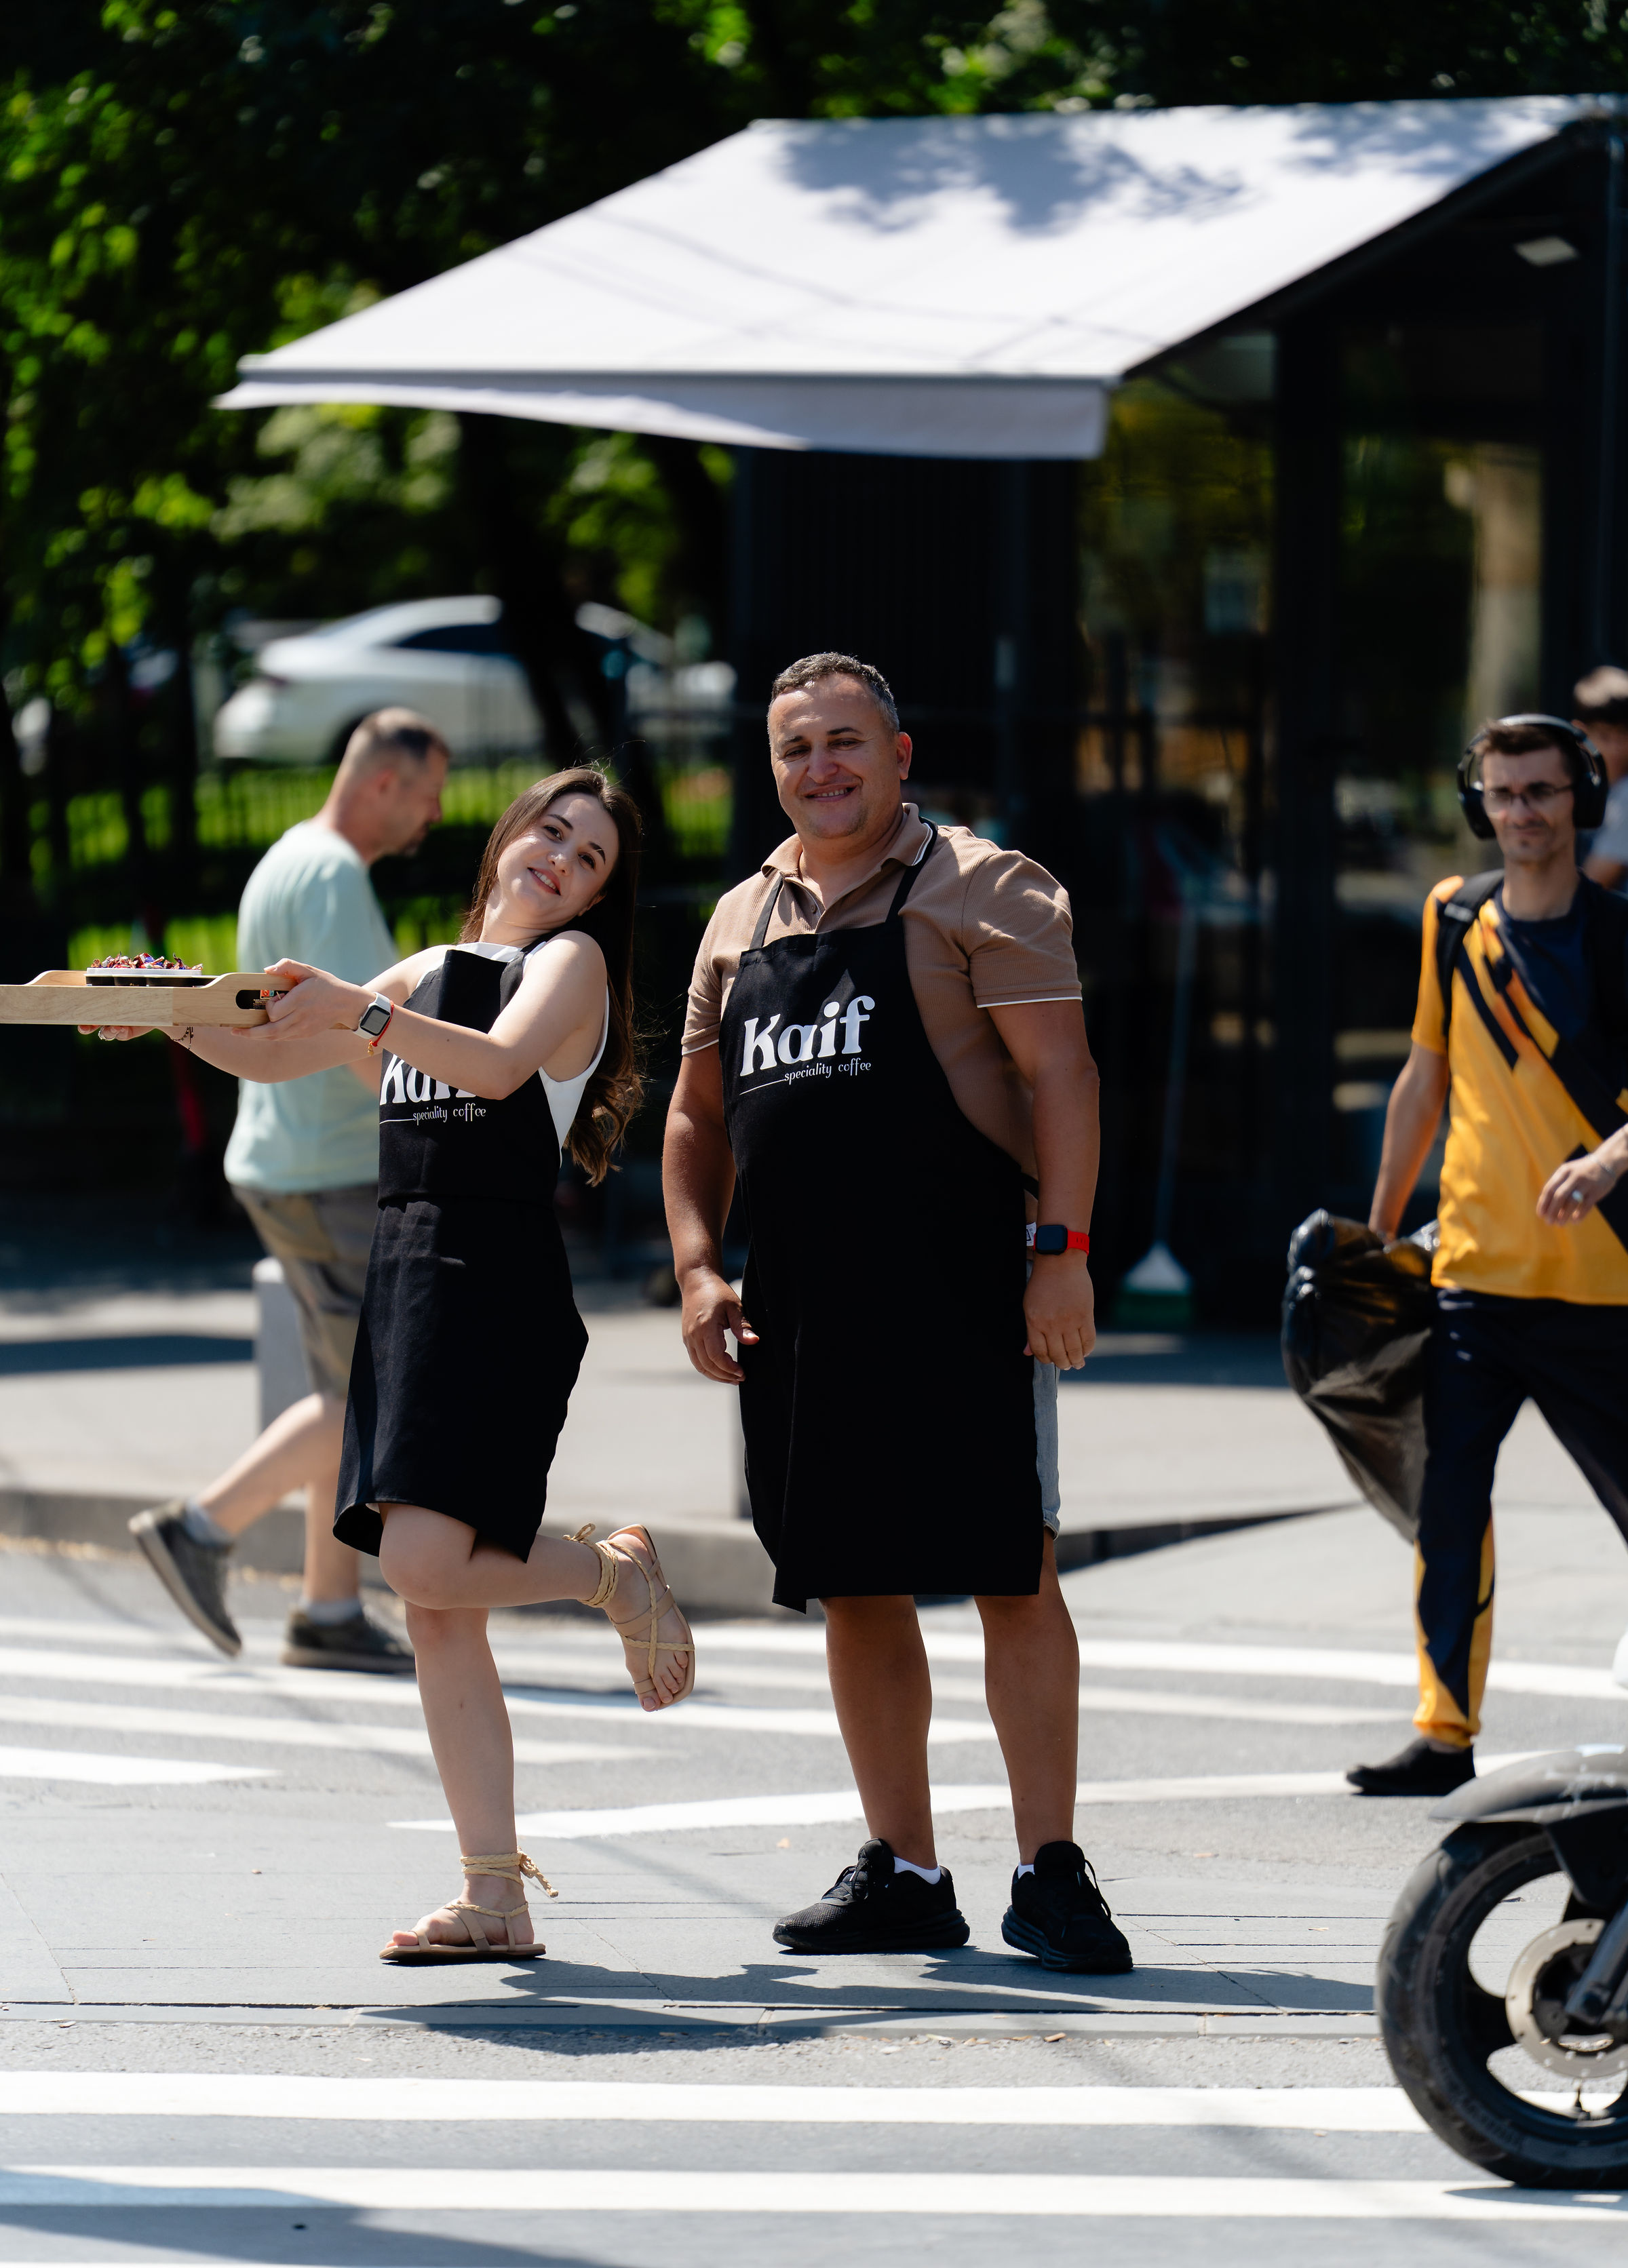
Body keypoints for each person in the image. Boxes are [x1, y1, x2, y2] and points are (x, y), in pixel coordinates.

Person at [95, 767, 695, 1961]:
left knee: (427, 1565)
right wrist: (168, 1012)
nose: (561, 864)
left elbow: (496, 1068)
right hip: (408, 1280)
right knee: (433, 1609)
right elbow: (278, 1052)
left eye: (588, 862)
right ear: (509, 832)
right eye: (551, 834)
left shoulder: (563, 969)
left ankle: (606, 1574)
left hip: (495, 1288)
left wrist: (356, 1012)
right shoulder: (423, 970)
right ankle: (494, 1899)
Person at [663, 651, 1131, 1974]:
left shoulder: (989, 886)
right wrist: (700, 1268)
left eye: (846, 741)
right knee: (856, 1582)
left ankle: (1050, 1871)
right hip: (803, 1304)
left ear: (902, 752)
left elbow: (1066, 1081)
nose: (822, 768)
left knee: (1011, 1570)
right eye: (796, 747)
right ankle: (906, 1870)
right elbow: (698, 1116)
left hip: (973, 1281)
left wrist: (1063, 1254)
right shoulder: (738, 918)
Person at [129, 709, 448, 1672]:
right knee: (370, 1395)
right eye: (427, 798)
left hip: (289, 1157)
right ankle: (200, 1526)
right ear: (384, 783)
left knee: (341, 1384)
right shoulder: (335, 874)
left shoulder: (284, 860)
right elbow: (360, 1030)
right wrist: (428, 1120)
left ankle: (329, 1606)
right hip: (333, 1165)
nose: (431, 821)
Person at [1348, 713, 1628, 1797]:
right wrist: (1379, 1235)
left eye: (1543, 793)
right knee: (1449, 1506)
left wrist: (1607, 1161)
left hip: (1602, 1291)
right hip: (1471, 1282)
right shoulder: (1452, 916)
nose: (1521, 814)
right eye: (1503, 794)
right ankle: (1444, 1730)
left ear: (1580, 799)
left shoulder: (1616, 938)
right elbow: (1423, 1077)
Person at [1573, 667, 1628, 889]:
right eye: (1604, 736)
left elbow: (1596, 882)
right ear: (1580, 734)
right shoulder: (1578, 785)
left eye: (1624, 734)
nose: (1615, 748)